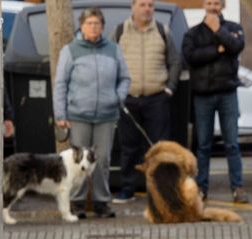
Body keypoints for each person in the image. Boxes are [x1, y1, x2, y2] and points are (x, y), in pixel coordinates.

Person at [54, 9, 130, 219]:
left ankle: (101, 202)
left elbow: (125, 78)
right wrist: (60, 114)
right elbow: (60, 84)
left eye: (97, 23)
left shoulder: (113, 50)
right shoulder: (70, 51)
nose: (94, 27)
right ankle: (77, 203)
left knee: (102, 160)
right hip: (78, 115)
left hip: (106, 116)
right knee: (78, 162)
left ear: (103, 26)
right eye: (89, 23)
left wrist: (118, 96)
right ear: (82, 26)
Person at [112, 0, 179, 204]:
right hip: (128, 99)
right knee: (129, 146)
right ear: (132, 7)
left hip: (156, 98)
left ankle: (161, 189)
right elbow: (110, 61)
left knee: (160, 147)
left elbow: (175, 61)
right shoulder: (120, 31)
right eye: (142, 4)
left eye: (150, 5)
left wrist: (169, 88)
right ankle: (127, 188)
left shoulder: (162, 30)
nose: (147, 9)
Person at [183, 0, 246, 203]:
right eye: (209, 2)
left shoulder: (233, 28)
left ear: (222, 6)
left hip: (228, 93)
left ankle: (237, 187)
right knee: (203, 145)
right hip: (203, 95)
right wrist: (217, 50)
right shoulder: (193, 33)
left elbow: (236, 46)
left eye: (217, 3)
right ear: (204, 5)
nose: (213, 6)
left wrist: (218, 29)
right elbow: (191, 57)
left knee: (232, 144)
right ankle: (202, 188)